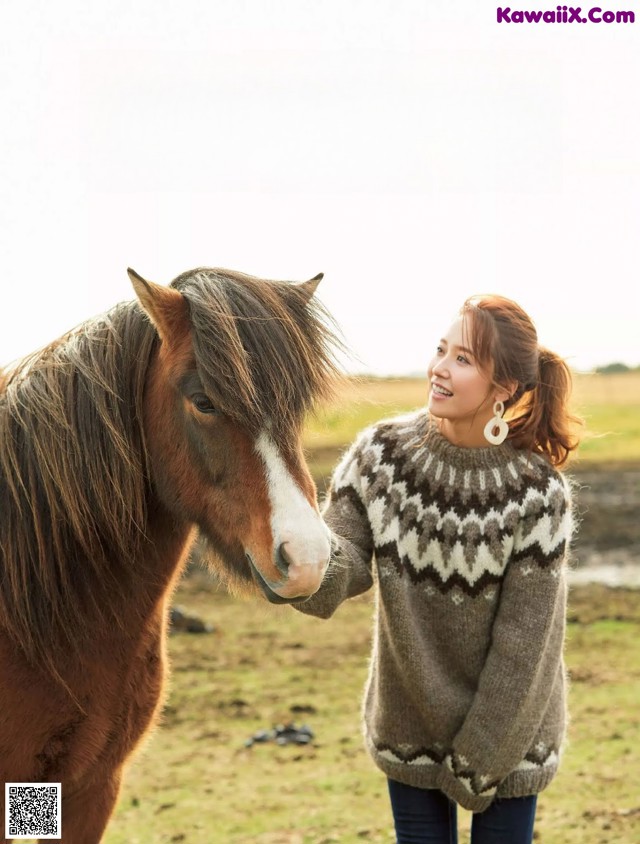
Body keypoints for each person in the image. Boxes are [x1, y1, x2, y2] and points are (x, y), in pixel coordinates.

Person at [297, 294, 582, 844]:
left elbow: (524, 648)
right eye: (440, 350)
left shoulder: (538, 495)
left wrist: (476, 763)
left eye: (464, 359)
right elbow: (345, 566)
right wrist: (294, 570)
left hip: (510, 733)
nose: (439, 369)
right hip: (410, 724)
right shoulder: (379, 458)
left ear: (504, 390)